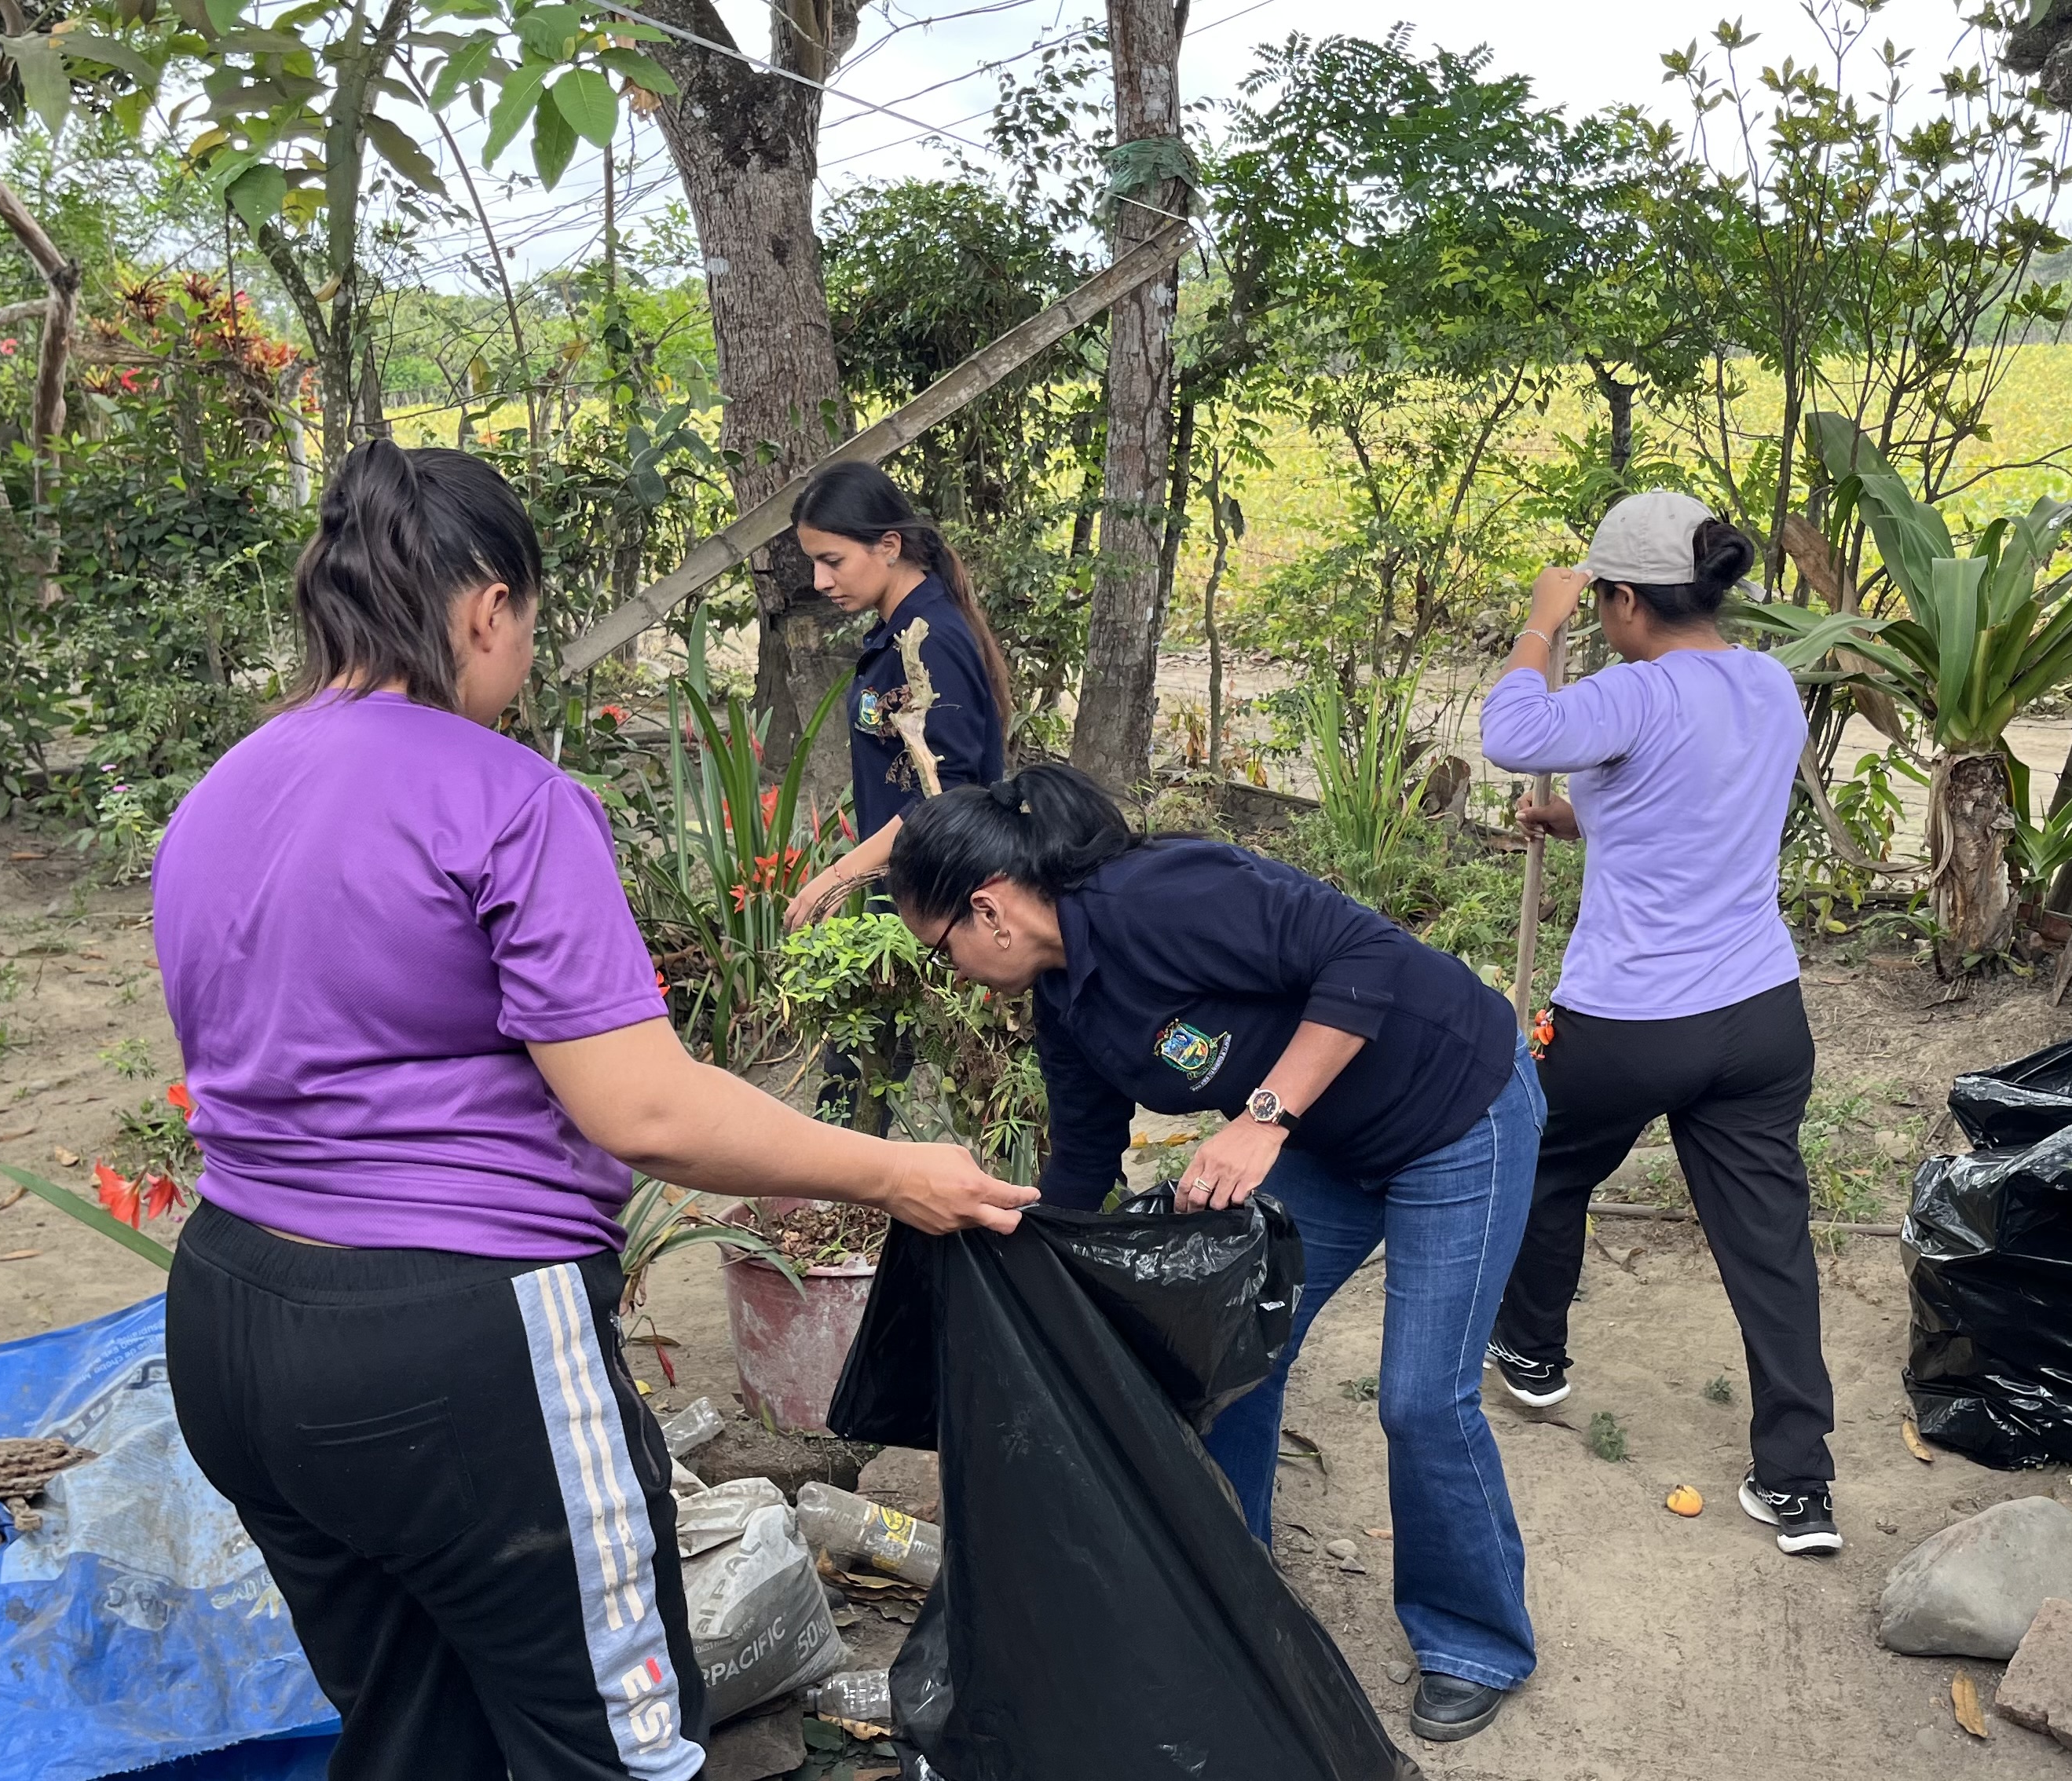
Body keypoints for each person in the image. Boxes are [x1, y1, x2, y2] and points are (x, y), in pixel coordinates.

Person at [152, 441, 1035, 1781]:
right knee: (616, 1752)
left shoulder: (223, 790)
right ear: (488, 607)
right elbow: (647, 1110)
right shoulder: (504, 796)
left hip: (229, 1320)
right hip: (447, 1346)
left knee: (411, 1733)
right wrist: (892, 1169)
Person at [884, 763, 1547, 1744]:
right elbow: (1083, 1156)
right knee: (1229, 1351)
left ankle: (1475, 1641)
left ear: (988, 911)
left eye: (942, 950)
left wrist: (1264, 1118)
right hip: (1331, 1145)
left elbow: (1368, 953)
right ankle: (1234, 1581)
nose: (953, 973)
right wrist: (1018, 1244)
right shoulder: (1066, 1000)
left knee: (1420, 1397)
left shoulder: (1159, 896)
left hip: (1455, 1108)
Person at [1477, 489, 1843, 1556]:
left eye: (1600, 603)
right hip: (1761, 1017)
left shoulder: (1635, 691)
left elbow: (1512, 733)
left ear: (1628, 601)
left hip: (1633, 1020)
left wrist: (1538, 623)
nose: (1597, 621)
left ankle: (1533, 1355)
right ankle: (1799, 1483)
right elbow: (1701, 800)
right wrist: (1580, 815)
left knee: (1543, 1164)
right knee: (1768, 1240)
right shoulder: (1768, 683)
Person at [782, 462, 1011, 931]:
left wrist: (838, 877)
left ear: (889, 546)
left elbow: (949, 791)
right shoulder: (898, 632)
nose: (820, 581)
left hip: (948, 908)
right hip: (911, 897)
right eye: (814, 563)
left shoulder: (930, 640)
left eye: (833, 561)